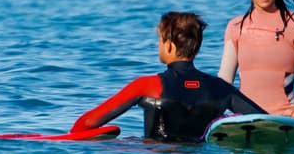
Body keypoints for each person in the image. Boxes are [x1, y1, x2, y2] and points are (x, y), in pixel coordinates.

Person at [72, 11, 265, 142]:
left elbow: (87, 123)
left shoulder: (147, 86)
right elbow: (267, 122)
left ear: (169, 46)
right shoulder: (220, 88)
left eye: (160, 40)